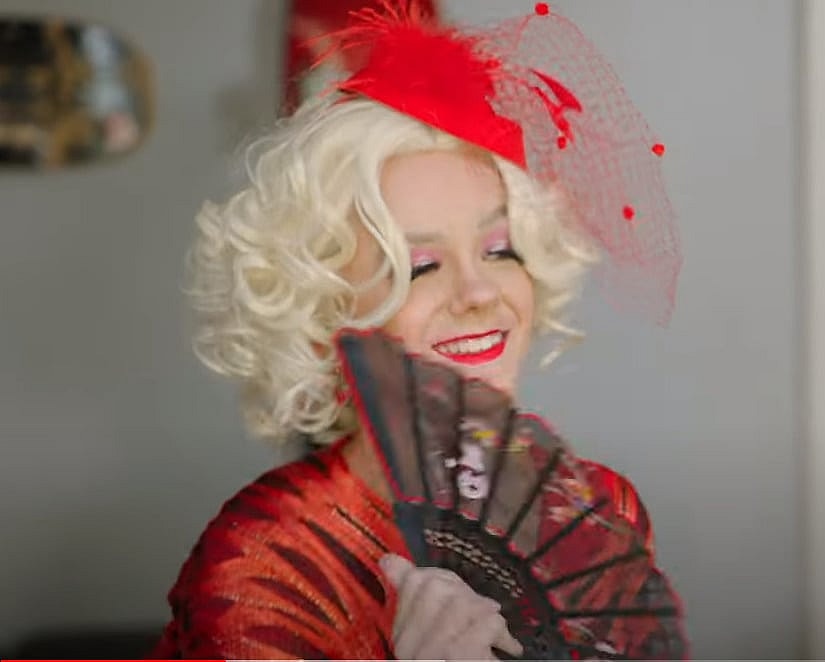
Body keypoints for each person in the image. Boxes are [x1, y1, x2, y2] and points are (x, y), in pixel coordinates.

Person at [150, 2, 684, 659]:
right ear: (326, 317)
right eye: (421, 267)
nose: (479, 292)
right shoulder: (263, 562)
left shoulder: (599, 511)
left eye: (500, 250)